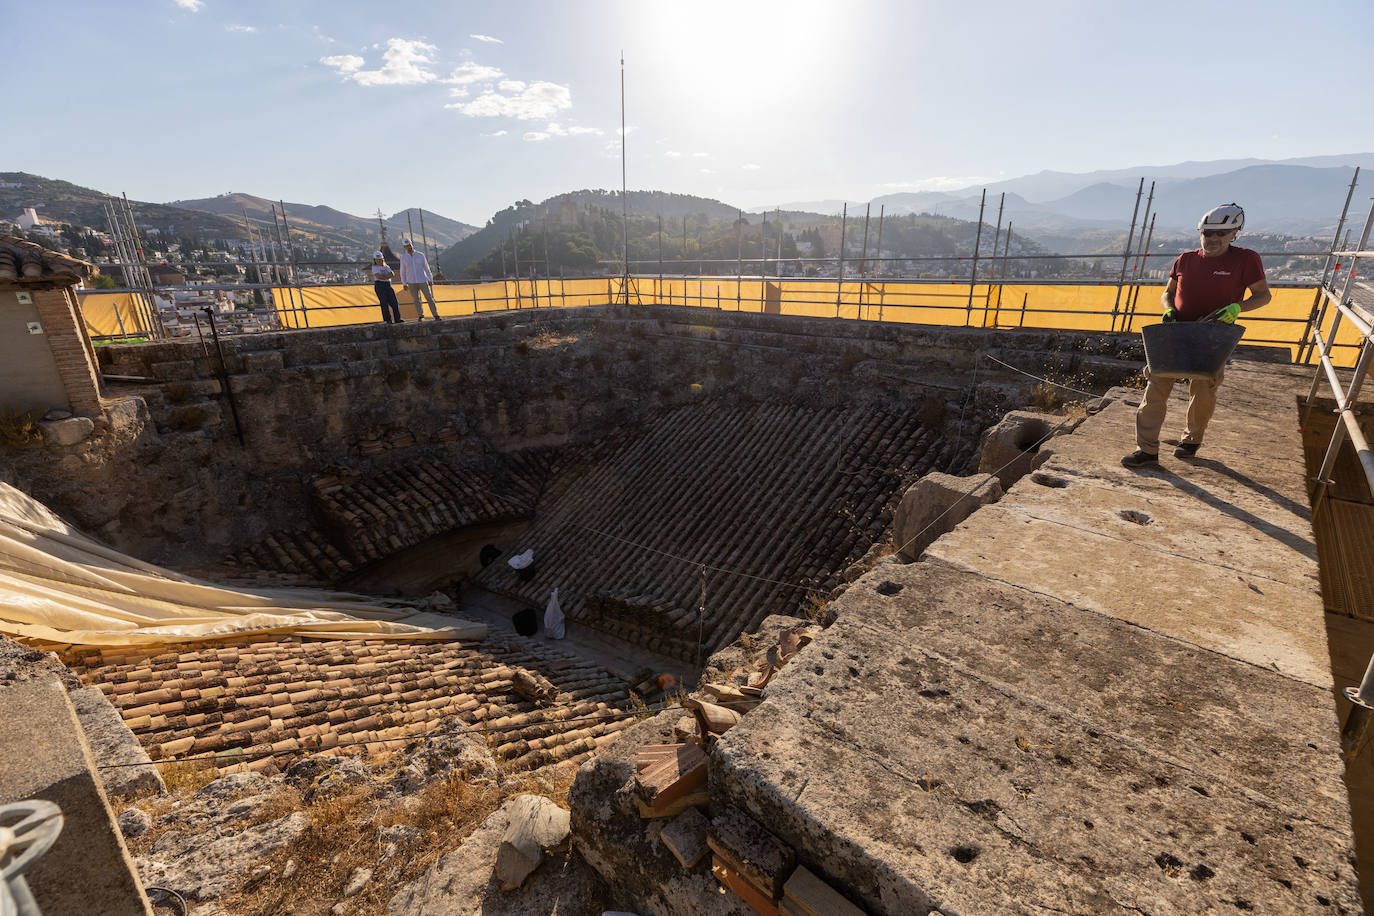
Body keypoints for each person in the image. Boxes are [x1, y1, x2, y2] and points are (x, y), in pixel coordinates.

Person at [1122, 203, 1271, 468]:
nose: (1213, 238)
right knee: (1155, 388)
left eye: (1221, 234)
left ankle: (1190, 441)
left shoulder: (1246, 259)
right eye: (1208, 232)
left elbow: (1263, 296)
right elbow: (1168, 292)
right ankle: (1145, 450)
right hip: (1176, 332)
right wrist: (1168, 309)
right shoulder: (1186, 259)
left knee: (1203, 390)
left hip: (1213, 336)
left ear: (1235, 232)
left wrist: (1238, 307)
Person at [400, 237, 439, 320]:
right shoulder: (403, 257)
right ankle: (421, 315)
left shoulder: (420, 255)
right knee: (416, 300)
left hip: (422, 280)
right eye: (406, 246)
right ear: (404, 247)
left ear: (412, 245)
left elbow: (426, 268)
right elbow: (402, 271)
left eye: (409, 245)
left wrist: (430, 279)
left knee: (429, 298)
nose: (409, 247)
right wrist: (404, 283)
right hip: (411, 282)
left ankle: (436, 315)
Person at [369, 251, 402, 324]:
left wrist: (383, 277)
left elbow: (392, 274)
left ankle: (398, 318)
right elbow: (378, 276)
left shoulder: (386, 266)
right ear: (374, 260)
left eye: (380, 259)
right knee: (384, 303)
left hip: (388, 285)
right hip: (379, 285)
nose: (379, 261)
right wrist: (386, 276)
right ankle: (387, 320)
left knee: (394, 302)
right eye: (377, 260)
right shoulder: (374, 267)